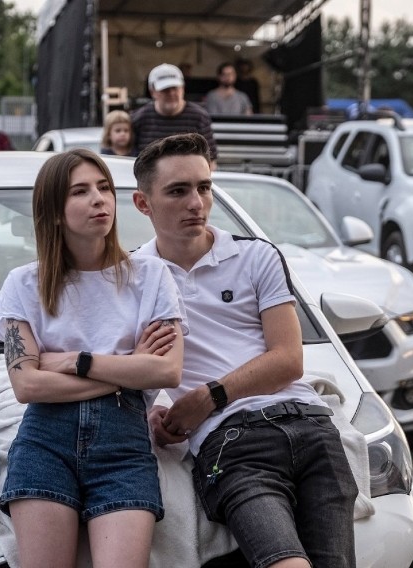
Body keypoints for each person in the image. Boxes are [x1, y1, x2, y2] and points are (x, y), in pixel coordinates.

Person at [132, 133, 357, 568]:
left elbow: (289, 360)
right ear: (144, 204)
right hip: (234, 443)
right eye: (178, 191)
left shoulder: (258, 257)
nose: (196, 202)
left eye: (204, 187)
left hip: (311, 425)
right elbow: (130, 366)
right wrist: (156, 408)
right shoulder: (133, 277)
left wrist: (207, 397)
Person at [0, 149, 186, 567]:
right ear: (55, 212)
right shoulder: (23, 284)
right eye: (81, 191)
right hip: (45, 440)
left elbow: (167, 370)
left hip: (124, 445)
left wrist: (76, 360)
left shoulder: (150, 276)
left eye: (104, 188)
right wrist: (130, 367)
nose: (100, 199)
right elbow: (28, 385)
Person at [132, 63, 218, 168]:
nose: (172, 93)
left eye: (175, 88)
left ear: (183, 88)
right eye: (165, 89)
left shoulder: (199, 117)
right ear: (152, 91)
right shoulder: (140, 117)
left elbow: (211, 161)